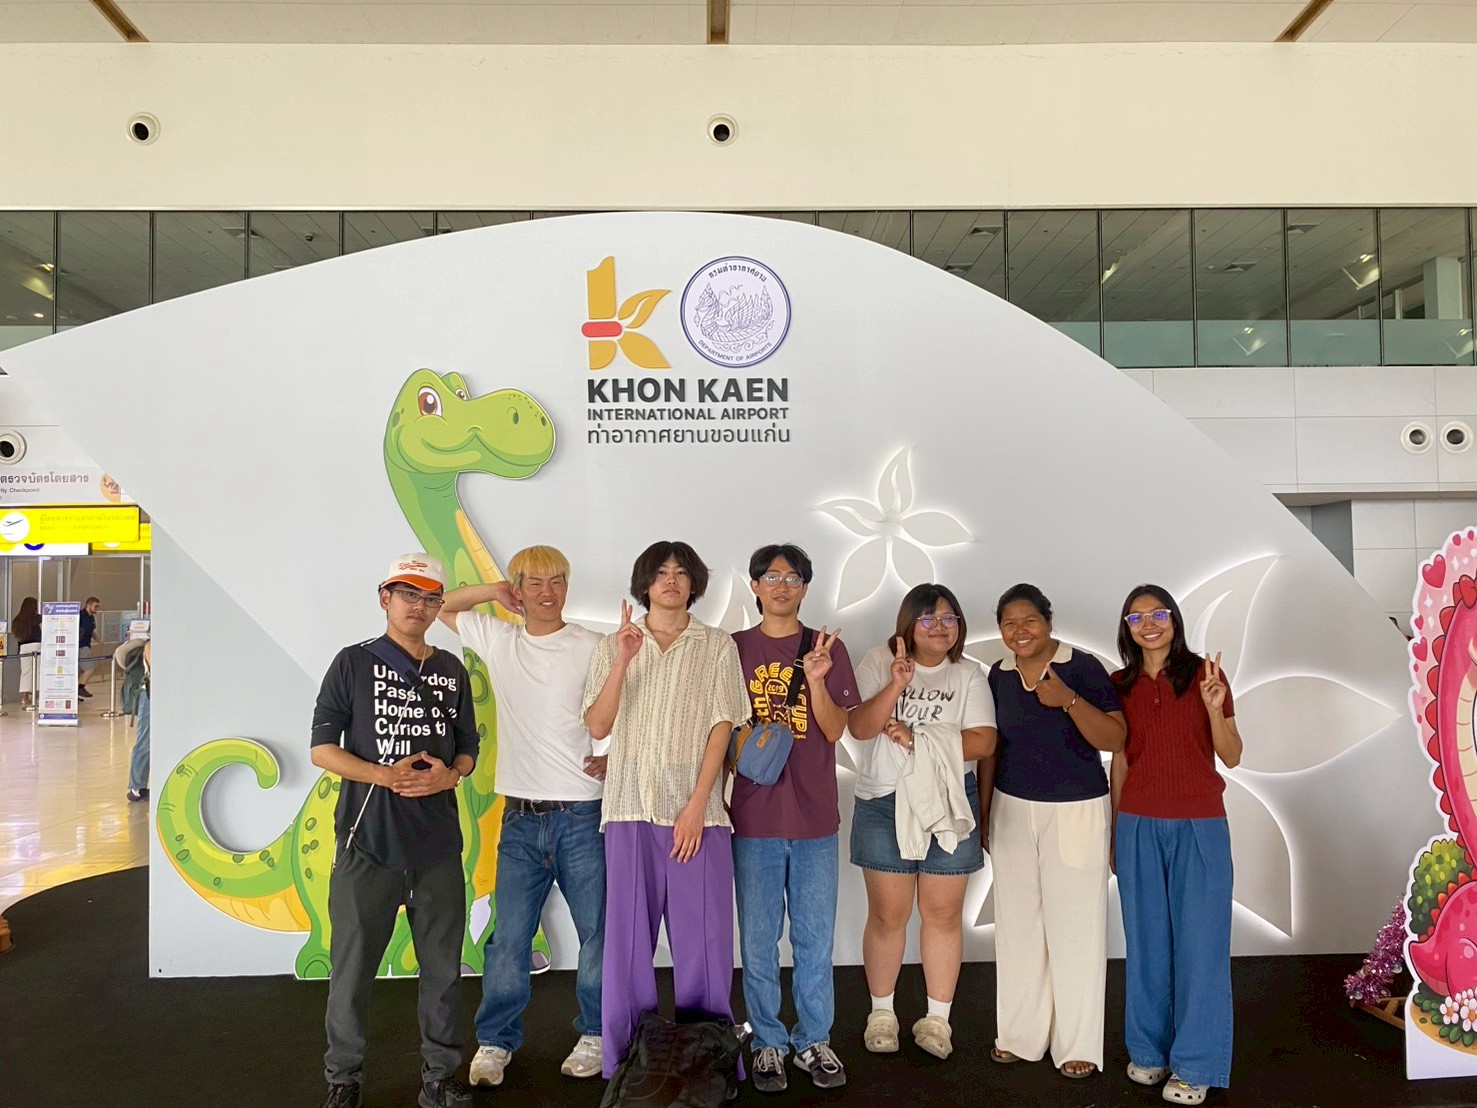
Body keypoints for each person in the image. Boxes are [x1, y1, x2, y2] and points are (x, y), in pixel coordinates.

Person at [436, 546, 608, 1087]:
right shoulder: (499, 639)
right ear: (518, 590)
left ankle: (597, 1033)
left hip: (583, 813)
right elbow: (441, 604)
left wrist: (616, 754)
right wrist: (492, 593)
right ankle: (494, 1042)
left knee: (598, 934)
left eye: (556, 580)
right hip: (519, 819)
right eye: (533, 582)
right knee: (508, 938)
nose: (547, 592)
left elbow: (625, 705)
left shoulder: (594, 644)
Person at [311, 553, 479, 1108]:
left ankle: (441, 1077)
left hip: (436, 846)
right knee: (352, 972)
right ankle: (344, 1079)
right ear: (385, 598)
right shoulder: (352, 663)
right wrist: (383, 775)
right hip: (367, 844)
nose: (419, 606)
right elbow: (322, 749)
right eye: (409, 594)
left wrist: (452, 775)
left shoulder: (451, 670)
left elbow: (468, 747)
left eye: (431, 598)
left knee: (443, 972)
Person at [583, 540, 748, 1079]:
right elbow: (598, 725)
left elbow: (723, 725)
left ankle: (708, 1066)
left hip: (696, 816)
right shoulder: (614, 645)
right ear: (645, 583)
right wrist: (623, 660)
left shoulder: (716, 645)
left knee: (705, 945)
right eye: (660, 572)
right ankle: (630, 1065)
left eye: (680, 571)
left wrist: (699, 803)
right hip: (629, 810)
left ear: (694, 582)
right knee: (628, 947)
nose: (671, 580)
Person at [848, 583, 997, 1062]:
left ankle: (937, 1019)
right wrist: (896, 684)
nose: (939, 627)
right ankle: (881, 1013)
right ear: (908, 624)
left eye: (949, 618)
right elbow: (859, 728)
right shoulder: (878, 661)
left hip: (948, 803)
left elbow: (984, 741)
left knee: (943, 915)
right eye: (928, 618)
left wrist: (918, 738)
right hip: (884, 801)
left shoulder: (968, 674)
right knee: (888, 916)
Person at [983, 583, 1126, 1080]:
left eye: (1029, 621)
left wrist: (1068, 700)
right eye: (1009, 623)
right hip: (1012, 808)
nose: (1019, 631)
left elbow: (1116, 738)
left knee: (1076, 928)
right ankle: (1019, 1035)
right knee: (1017, 927)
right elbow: (992, 749)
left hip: (1077, 811)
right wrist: (986, 811)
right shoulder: (999, 676)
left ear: (1048, 622)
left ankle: (1077, 1043)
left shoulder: (1082, 667)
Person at [730, 543, 859, 1092]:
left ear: (805, 587)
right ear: (754, 586)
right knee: (758, 942)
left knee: (813, 940)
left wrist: (818, 679)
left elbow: (834, 730)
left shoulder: (828, 648)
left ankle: (813, 1040)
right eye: (771, 576)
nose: (781, 586)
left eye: (792, 578)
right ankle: (767, 1041)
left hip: (814, 819)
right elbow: (718, 730)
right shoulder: (733, 649)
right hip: (753, 818)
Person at [1111, 586, 1242, 1106]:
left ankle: (1196, 1064)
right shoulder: (1118, 684)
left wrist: (1214, 709)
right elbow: (1121, 761)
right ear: (1126, 626)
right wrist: (1116, 832)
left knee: (1200, 948)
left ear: (1175, 620)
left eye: (1158, 613)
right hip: (1137, 823)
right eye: (1137, 617)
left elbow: (1232, 754)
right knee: (1145, 944)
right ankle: (1149, 1051)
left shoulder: (1207, 677)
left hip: (1199, 824)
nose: (1149, 623)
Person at [121, 638, 151, 802]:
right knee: (145, 740)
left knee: (147, 740)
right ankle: (137, 787)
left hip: (156, 696)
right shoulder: (150, 646)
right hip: (150, 696)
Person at [12, 597, 40, 709]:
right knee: (38, 671)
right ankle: (37, 695)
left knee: (25, 672)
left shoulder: (18, 619)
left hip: (23, 646)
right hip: (37, 645)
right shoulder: (37, 618)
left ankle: (25, 696)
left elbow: (16, 636)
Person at [76, 596, 100, 698]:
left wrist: (98, 640)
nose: (97, 608)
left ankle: (75, 692)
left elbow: (91, 631)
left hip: (86, 645)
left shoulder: (91, 618)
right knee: (90, 666)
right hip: (81, 646)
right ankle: (80, 687)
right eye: (95, 606)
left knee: (80, 670)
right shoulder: (80, 615)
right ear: (88, 605)